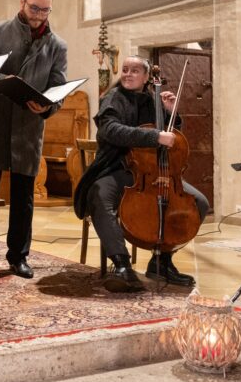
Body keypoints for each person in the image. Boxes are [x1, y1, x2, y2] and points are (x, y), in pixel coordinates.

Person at [72, 56, 209, 293]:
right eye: (125, 69)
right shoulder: (112, 98)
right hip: (115, 168)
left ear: (146, 77)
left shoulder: (151, 100)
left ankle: (161, 262)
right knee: (100, 196)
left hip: (152, 172)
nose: (128, 74)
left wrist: (169, 114)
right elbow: (111, 130)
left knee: (199, 203)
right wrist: (154, 137)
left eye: (135, 70)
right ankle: (121, 265)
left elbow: (171, 137)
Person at [0, 0, 67, 279]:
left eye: (45, 10)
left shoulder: (57, 45)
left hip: (27, 128)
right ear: (22, 2)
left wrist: (48, 106)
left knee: (24, 198)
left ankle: (18, 256)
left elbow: (58, 87)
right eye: (34, 8)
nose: (38, 15)